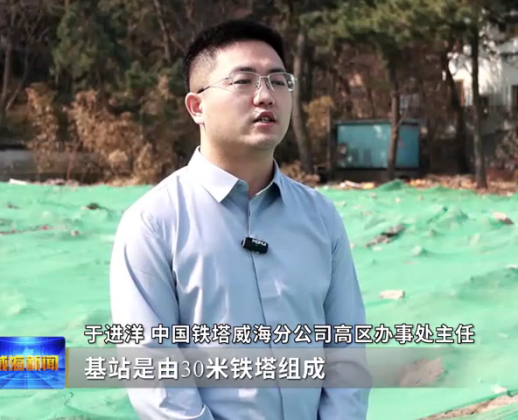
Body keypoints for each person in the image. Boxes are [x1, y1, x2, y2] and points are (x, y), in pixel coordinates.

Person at [109, 19, 370, 420]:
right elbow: (153, 374)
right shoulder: (154, 222)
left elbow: (346, 346)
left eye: (279, 81)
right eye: (243, 81)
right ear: (197, 107)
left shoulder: (320, 216)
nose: (265, 96)